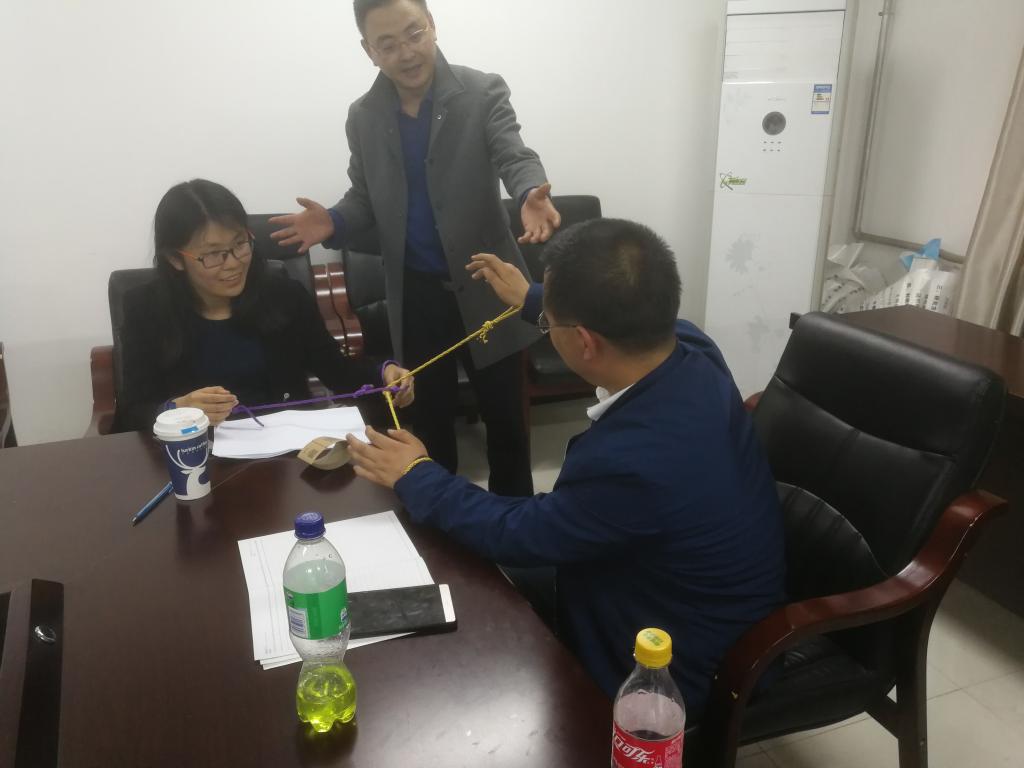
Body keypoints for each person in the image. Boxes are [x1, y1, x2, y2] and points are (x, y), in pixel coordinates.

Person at [346, 219, 786, 720]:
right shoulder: (691, 347)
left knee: (464, 614)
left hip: (684, 661)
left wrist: (417, 473)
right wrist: (533, 299)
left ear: (584, 342)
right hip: (693, 586)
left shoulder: (632, 464)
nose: (542, 327)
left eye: (545, 322)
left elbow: (520, 533)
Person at [269, 0, 561, 496]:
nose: (406, 52)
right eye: (388, 44)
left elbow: (514, 153)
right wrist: (334, 220)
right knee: (428, 426)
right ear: (369, 50)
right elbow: (364, 198)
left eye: (414, 34)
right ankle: (437, 524)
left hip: (489, 287)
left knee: (507, 427)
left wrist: (530, 189)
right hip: (418, 296)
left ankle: (514, 529)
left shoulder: (482, 91)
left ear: (433, 27)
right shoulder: (363, 116)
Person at [113, 179, 413, 433]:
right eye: (214, 254)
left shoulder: (283, 295)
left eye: (240, 244)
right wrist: (176, 409)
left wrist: (384, 374)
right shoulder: (147, 310)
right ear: (175, 259)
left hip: (286, 453)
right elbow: (132, 412)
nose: (233, 263)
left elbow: (338, 373)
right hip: (197, 456)